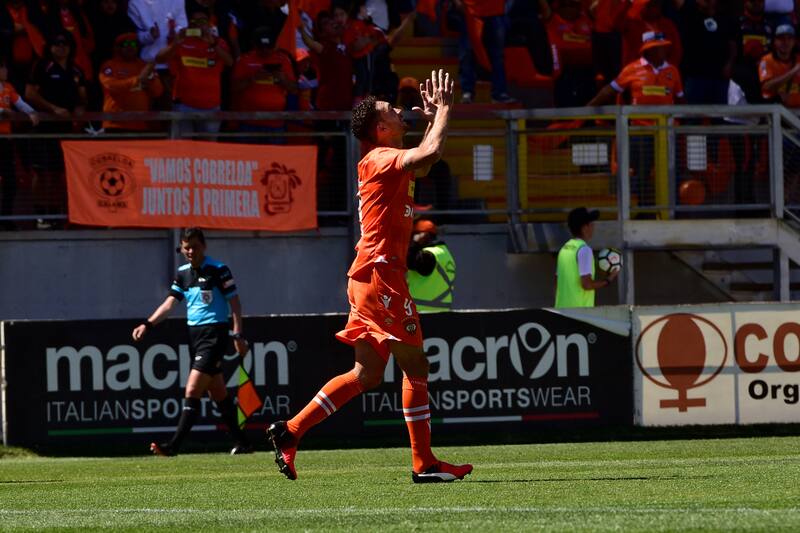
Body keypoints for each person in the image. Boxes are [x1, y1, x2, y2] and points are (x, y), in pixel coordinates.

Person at [267, 70, 473, 484]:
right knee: (415, 365)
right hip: (381, 277)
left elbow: (428, 159)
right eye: (391, 109)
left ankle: (289, 432)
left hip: (369, 275)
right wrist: (446, 109)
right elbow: (429, 152)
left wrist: (434, 121)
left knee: (367, 375)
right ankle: (424, 464)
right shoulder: (381, 158)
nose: (400, 109)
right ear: (382, 128)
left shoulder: (385, 161)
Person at [132, 227, 253, 457]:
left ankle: (173, 446)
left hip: (214, 334)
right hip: (195, 336)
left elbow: (235, 304)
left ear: (203, 246)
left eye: (194, 247)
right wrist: (147, 324)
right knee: (217, 392)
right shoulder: (183, 273)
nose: (190, 251)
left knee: (193, 388)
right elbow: (169, 304)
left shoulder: (218, 270)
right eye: (186, 248)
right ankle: (244, 443)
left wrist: (237, 335)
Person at [588, 32, 684, 204]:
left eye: (664, 47)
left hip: (667, 133)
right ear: (649, 50)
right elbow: (610, 90)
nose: (664, 50)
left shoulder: (673, 70)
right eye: (659, 47)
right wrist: (588, 108)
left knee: (670, 172)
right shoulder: (632, 69)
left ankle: (671, 211)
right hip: (641, 132)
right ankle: (642, 211)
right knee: (641, 173)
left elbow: (680, 98)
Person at [25, 30, 88, 227]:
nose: (61, 47)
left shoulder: (76, 70)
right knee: (40, 172)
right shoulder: (42, 67)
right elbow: (29, 94)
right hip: (43, 128)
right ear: (50, 47)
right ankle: (40, 213)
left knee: (60, 173)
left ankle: (57, 213)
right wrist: (52, 109)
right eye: (57, 43)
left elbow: (83, 96)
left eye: (65, 44)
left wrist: (80, 107)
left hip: (66, 130)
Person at [156, 6, 233, 137]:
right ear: (189, 23)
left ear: (209, 23)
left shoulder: (218, 42)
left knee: (208, 152)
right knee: (182, 150)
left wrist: (213, 45)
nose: (198, 25)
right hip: (184, 105)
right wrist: (175, 44)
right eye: (194, 22)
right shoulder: (182, 40)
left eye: (202, 21)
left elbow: (229, 62)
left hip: (211, 106)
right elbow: (159, 59)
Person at [231, 25, 297, 141]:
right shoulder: (244, 60)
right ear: (254, 44)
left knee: (274, 159)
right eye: (262, 47)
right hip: (248, 123)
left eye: (269, 47)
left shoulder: (283, 60)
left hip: (275, 124)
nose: (265, 51)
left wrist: (282, 79)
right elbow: (234, 88)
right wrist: (253, 78)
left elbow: (294, 89)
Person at [671, 0, 737, 105]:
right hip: (695, 77)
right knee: (692, 117)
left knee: (719, 117)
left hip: (719, 77)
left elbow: (732, 44)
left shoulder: (726, 17)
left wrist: (730, 64)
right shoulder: (690, 12)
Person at [0, 55, 38, 226]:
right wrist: (2, 112)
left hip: (5, 140)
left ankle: (6, 219)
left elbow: (20, 103)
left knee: (10, 181)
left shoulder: (7, 87)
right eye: (2, 68)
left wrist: (31, 112)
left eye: (5, 67)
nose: (5, 71)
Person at [99, 32, 163, 132]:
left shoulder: (144, 66)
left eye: (133, 44)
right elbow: (111, 85)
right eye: (126, 44)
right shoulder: (110, 65)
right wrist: (137, 80)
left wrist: (150, 82)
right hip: (115, 125)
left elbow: (158, 91)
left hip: (141, 125)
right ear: (118, 48)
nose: (130, 47)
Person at [555, 207, 617, 308]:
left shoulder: (564, 249)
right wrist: (608, 280)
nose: (593, 227)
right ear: (584, 228)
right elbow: (586, 285)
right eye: (591, 224)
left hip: (561, 310)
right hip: (580, 313)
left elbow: (557, 283)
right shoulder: (584, 250)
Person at [407, 219, 456, 313]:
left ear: (424, 235)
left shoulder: (428, 255)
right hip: (443, 311)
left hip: (423, 312)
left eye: (414, 235)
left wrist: (415, 244)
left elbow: (409, 261)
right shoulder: (445, 254)